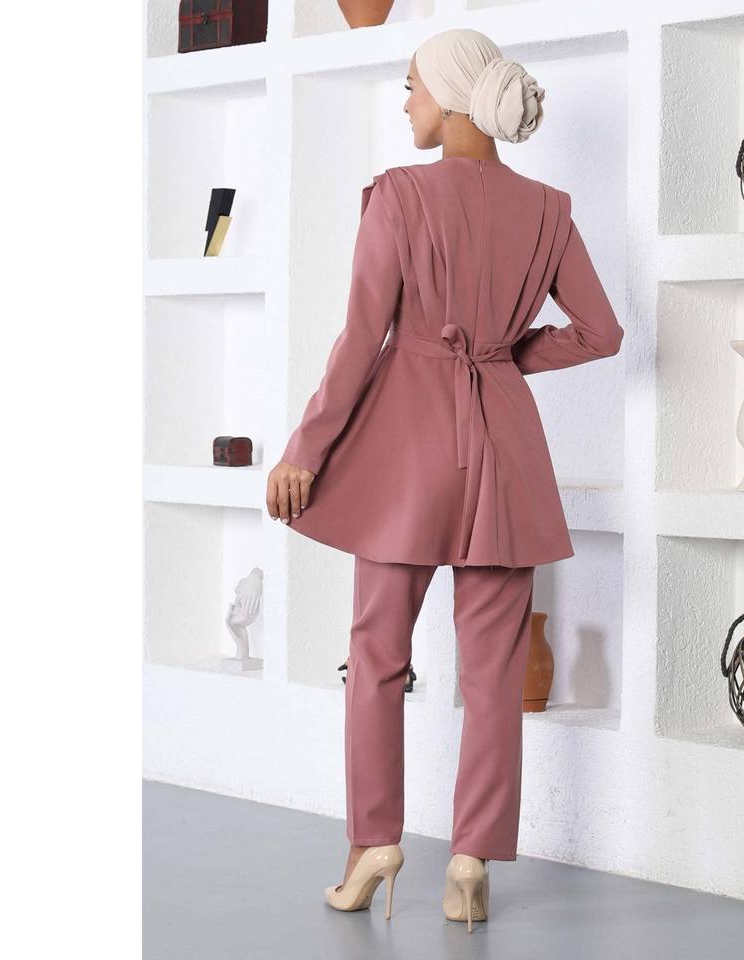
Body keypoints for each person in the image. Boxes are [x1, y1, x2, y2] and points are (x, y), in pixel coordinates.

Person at [265, 27, 623, 931]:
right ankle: (471, 863)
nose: (407, 103)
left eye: (413, 85)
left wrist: (305, 448)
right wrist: (505, 357)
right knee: (494, 670)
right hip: (505, 452)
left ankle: (373, 847)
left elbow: (362, 339)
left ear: (454, 96)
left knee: (378, 656)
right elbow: (602, 332)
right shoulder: (548, 209)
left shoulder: (399, 194)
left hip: (406, 457)